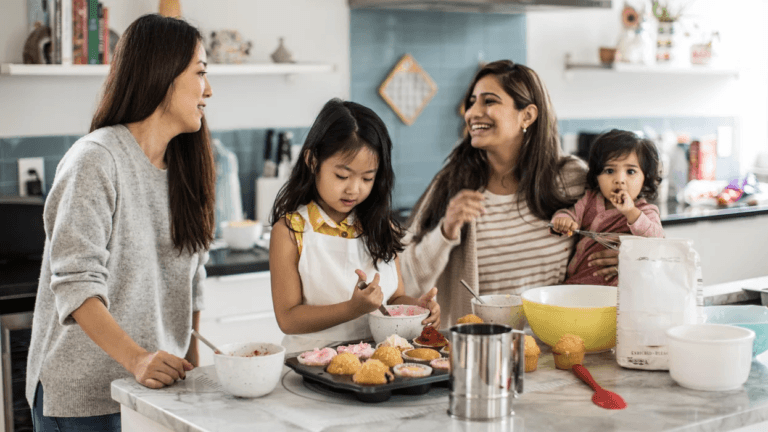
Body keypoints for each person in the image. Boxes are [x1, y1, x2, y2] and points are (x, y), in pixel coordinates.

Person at [26, 14, 215, 431]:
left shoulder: (185, 167)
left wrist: (193, 370)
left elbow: (193, 278)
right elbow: (76, 284)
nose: (209, 90)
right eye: (200, 73)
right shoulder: (96, 160)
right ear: (163, 75)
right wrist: (138, 358)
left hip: (155, 389)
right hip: (85, 400)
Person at [399, 60, 618, 325]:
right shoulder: (452, 183)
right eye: (472, 102)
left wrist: (622, 256)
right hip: (480, 349)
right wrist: (446, 232)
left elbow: (621, 232)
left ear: (527, 115)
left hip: (555, 344)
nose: (472, 113)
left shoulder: (571, 178)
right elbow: (405, 281)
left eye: (489, 101)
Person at [270, 99, 441, 353]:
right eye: (342, 176)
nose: (354, 189)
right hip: (312, 363)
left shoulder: (383, 226)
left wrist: (418, 307)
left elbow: (393, 299)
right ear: (313, 161)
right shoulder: (290, 232)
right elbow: (288, 319)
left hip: (380, 359)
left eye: (367, 178)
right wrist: (352, 309)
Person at [550, 129, 664, 285]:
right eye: (609, 171)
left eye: (630, 171)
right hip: (579, 284)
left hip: (620, 293)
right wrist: (563, 219)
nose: (619, 180)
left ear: (645, 178)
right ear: (596, 176)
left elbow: (657, 240)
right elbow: (570, 214)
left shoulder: (645, 211)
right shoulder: (590, 200)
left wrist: (631, 212)